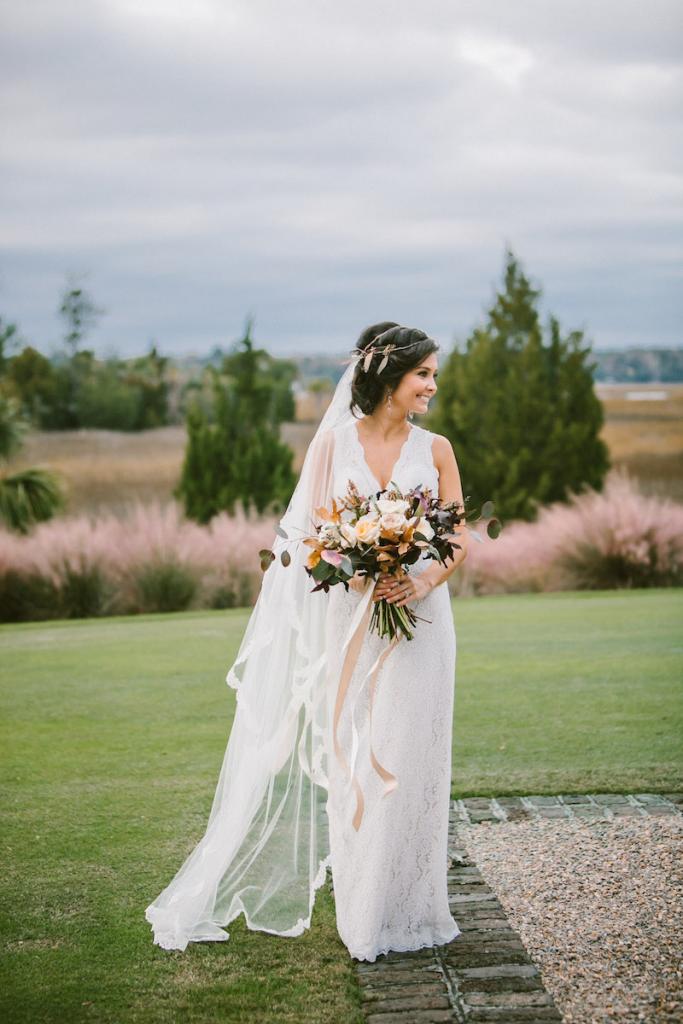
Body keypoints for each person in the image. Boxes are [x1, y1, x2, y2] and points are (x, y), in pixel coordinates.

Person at [145, 322, 468, 963]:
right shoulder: (331, 448)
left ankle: (413, 905)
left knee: (413, 758)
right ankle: (365, 913)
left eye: (434, 374)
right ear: (388, 377)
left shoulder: (436, 450)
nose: (433, 385)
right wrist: (360, 561)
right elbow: (309, 542)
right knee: (357, 758)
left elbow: (456, 537)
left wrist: (420, 580)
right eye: (423, 374)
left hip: (421, 622)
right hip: (348, 624)